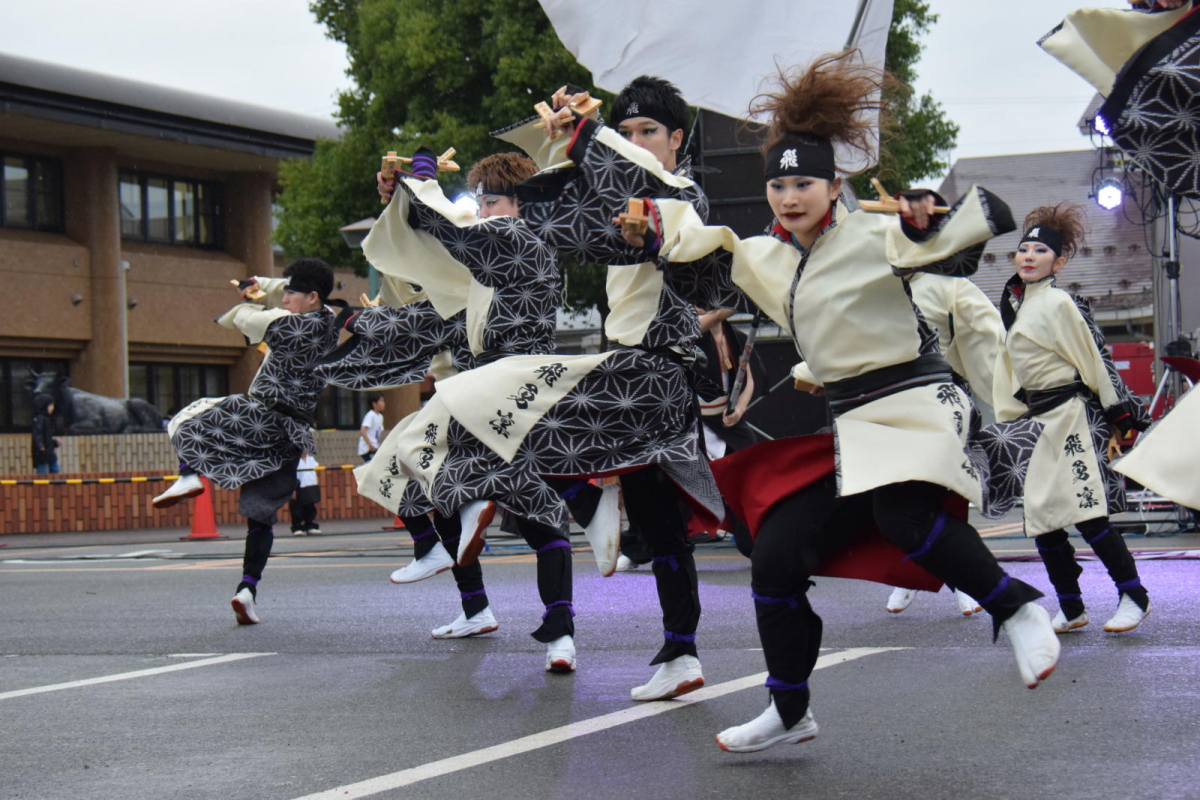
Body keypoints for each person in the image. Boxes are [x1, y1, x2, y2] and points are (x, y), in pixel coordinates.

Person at [637, 51, 1060, 752]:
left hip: (917, 401)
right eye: (778, 185)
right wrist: (645, 227)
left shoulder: (873, 232)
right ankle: (789, 709)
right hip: (853, 423)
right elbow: (693, 251)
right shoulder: (767, 258)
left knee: (901, 510)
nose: (789, 196)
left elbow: (965, 241)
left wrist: (926, 221)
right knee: (773, 555)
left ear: (836, 186)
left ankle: (1015, 609)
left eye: (805, 183)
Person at [151, 258, 343, 626]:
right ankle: (247, 590)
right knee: (260, 515)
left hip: (260, 416)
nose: (285, 297)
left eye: (292, 293)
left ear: (312, 297)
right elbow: (282, 292)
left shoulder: (290, 326)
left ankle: (190, 474)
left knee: (187, 417)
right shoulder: (330, 322)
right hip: (292, 433)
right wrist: (262, 284)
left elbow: (244, 318)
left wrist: (248, 299)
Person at [992, 202, 1151, 635]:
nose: (1027, 256)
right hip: (1038, 419)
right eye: (1023, 249)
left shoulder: (1059, 302)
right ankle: (1071, 605)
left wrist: (1120, 414)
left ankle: (1133, 595)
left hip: (1071, 413)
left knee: (1088, 512)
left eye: (1039, 251)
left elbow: (1093, 360)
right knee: (1042, 517)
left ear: (1058, 262)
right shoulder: (1016, 304)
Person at [883, 270, 1008, 616]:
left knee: (944, 492)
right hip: (893, 400)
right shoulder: (874, 285)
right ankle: (911, 575)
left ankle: (961, 581)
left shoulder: (949, 286)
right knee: (900, 497)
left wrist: (1008, 388)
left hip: (945, 396)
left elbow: (988, 336)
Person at [290, 451, 321, 536]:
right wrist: (292, 490)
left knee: (310, 507)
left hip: (310, 485)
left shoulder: (311, 459)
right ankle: (297, 527)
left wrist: (316, 484)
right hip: (298, 486)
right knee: (297, 508)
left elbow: (315, 472)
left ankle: (310, 525)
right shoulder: (293, 460)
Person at [31, 394, 60, 475]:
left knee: (56, 469)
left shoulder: (47, 419)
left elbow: (46, 436)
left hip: (49, 451)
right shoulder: (40, 418)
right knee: (43, 474)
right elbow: (37, 434)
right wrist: (40, 446)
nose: (52, 408)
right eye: (51, 405)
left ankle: (53, 487)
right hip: (42, 453)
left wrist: (54, 442)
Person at [358, 393, 385, 462]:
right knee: (372, 467)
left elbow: (378, 433)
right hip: (367, 448)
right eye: (381, 401)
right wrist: (370, 445)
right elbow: (363, 430)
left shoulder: (380, 417)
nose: (383, 403)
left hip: (375, 447)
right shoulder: (370, 415)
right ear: (374, 404)